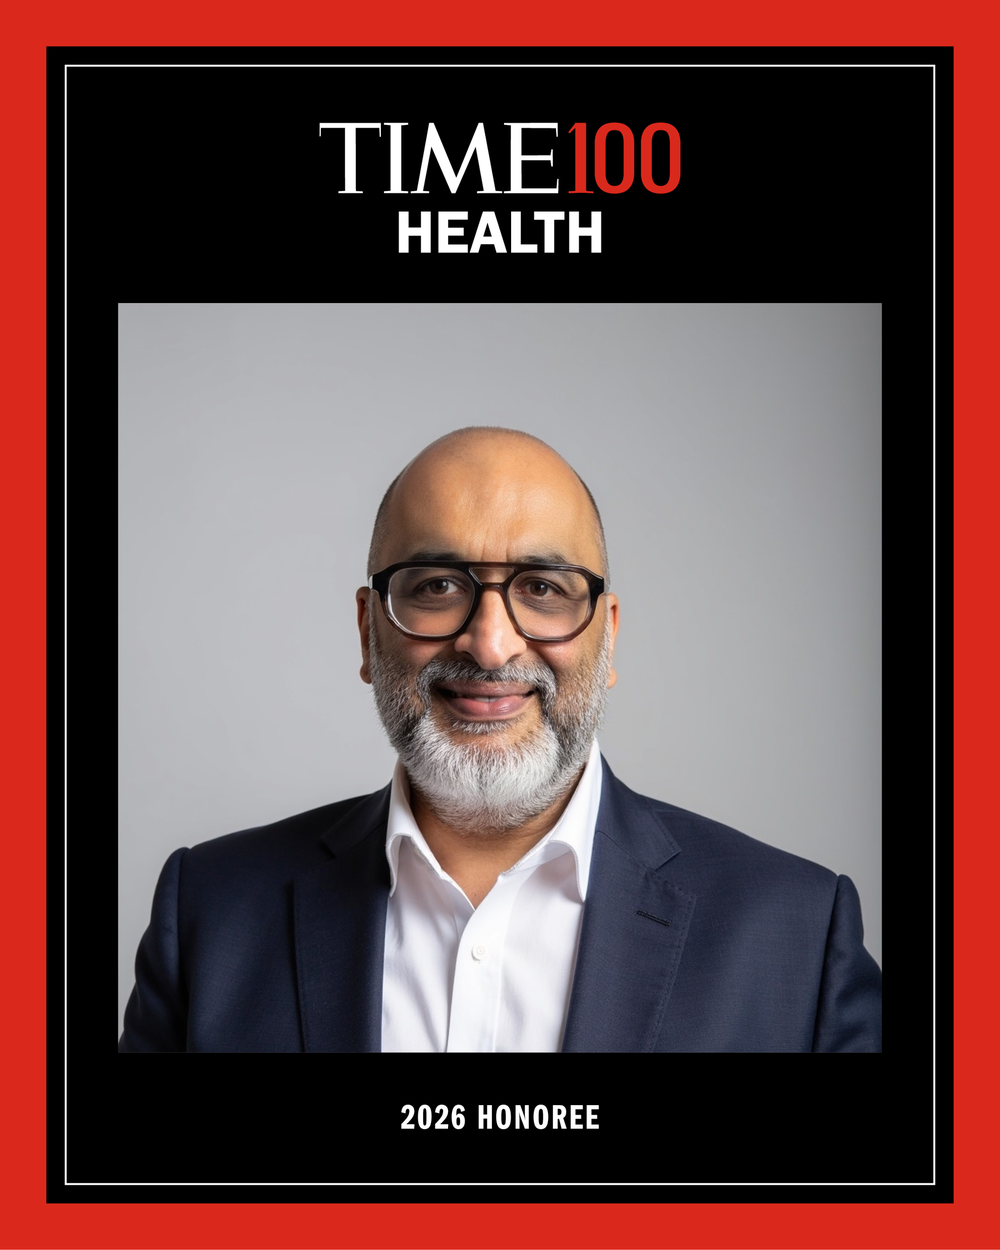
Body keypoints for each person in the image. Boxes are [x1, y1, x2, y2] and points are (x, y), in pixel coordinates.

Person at [119, 427, 881, 1053]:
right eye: (436, 586)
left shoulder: (797, 937)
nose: (490, 646)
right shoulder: (213, 913)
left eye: (543, 590)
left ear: (607, 637)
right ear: (366, 630)